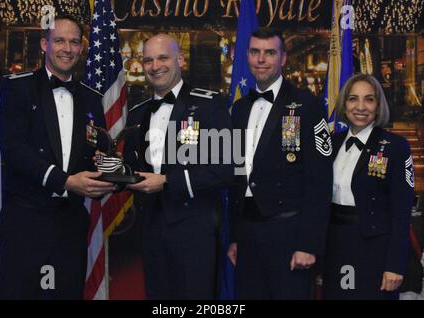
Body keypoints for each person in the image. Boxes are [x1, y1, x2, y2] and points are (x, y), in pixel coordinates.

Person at [0, 15, 116, 299]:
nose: (67, 48)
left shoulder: (90, 98)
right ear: (44, 44)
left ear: (81, 47)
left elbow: (95, 154)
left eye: (74, 42)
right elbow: (13, 149)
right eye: (59, 40)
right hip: (26, 220)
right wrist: (65, 181)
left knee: (65, 294)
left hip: (70, 224)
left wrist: (112, 176)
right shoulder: (17, 87)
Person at [123, 34, 233, 299]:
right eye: (148, 60)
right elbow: (132, 167)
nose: (154, 65)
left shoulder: (209, 105)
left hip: (196, 226)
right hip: (151, 226)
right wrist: (112, 172)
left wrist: (168, 182)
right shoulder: (138, 113)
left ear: (180, 60)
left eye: (163, 57)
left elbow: (226, 168)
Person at [227, 28, 333, 299]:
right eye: (254, 52)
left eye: (269, 52)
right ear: (247, 56)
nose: (261, 59)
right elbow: (237, 176)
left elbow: (319, 179)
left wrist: (308, 243)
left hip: (289, 234)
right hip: (247, 233)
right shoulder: (239, 109)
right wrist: (235, 236)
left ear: (283, 58)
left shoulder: (307, 105)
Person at [323, 73, 414, 300]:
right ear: (344, 103)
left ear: (378, 105)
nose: (360, 106)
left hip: (374, 249)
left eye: (369, 99)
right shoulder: (332, 143)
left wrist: (395, 265)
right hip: (335, 245)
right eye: (353, 99)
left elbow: (402, 213)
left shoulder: (395, 147)